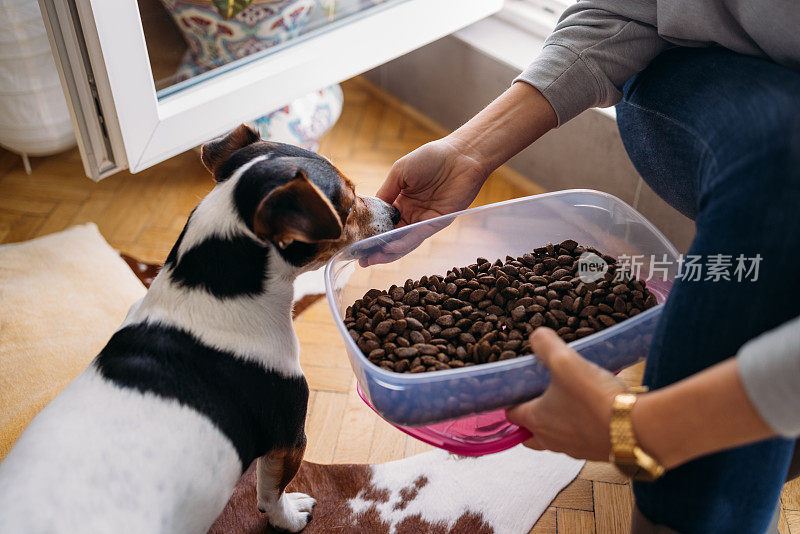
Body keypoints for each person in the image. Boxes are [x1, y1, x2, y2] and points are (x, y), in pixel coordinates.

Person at [376, 1, 800, 532]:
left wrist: (639, 429)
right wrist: (469, 151)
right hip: (714, 84)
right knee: (784, 173)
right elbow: (623, 9)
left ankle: (735, 453)